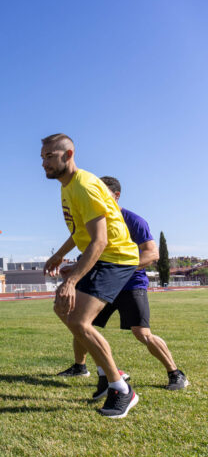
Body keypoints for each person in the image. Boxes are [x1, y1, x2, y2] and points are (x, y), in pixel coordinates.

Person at [57, 176, 189, 393]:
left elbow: (152, 253)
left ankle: (175, 373)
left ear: (116, 196)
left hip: (131, 285)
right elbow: (94, 253)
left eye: (102, 192)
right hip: (104, 283)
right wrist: (75, 268)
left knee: (142, 333)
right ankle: (80, 367)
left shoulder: (134, 220)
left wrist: (119, 269)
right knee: (81, 323)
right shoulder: (95, 219)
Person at [41, 134, 140, 418]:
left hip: (115, 258)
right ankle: (106, 372)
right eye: (42, 158)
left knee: (79, 320)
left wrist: (71, 281)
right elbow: (80, 231)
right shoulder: (67, 186)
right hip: (103, 257)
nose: (44, 163)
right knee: (64, 310)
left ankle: (122, 389)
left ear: (68, 154)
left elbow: (99, 241)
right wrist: (60, 254)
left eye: (50, 156)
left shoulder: (83, 186)